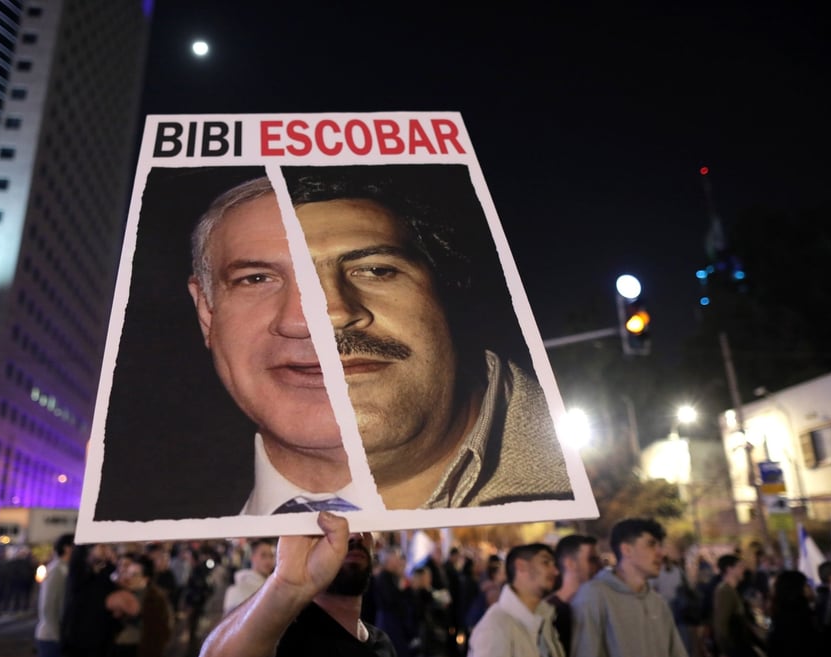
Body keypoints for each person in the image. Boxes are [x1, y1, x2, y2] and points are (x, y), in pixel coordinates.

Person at [186, 167, 572, 513]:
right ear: (207, 314)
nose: (322, 314)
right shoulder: (179, 511)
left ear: (447, 293)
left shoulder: (596, 481)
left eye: (374, 270)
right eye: (256, 279)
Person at [195, 511, 401, 657]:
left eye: (360, 522)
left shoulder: (383, 644)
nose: (354, 535)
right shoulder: (279, 636)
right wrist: (286, 584)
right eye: (335, 524)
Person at [570, 518, 704, 657]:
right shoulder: (593, 596)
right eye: (651, 544)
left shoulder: (657, 602)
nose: (660, 553)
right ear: (627, 549)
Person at [465, 543, 566, 657]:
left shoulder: (543, 620)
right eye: (546, 562)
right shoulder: (496, 626)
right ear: (521, 566)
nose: (555, 571)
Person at [711, 554, 767, 657]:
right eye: (740, 566)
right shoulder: (724, 591)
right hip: (735, 650)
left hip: (739, 648)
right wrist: (724, 652)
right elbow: (720, 624)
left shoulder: (732, 590)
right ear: (729, 569)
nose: (743, 569)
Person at [545, 534, 599, 654]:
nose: (598, 566)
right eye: (591, 560)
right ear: (569, 563)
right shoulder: (548, 612)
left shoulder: (596, 605)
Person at [35, 533, 74, 657]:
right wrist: (58, 636)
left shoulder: (64, 569)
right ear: (67, 548)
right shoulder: (57, 570)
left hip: (53, 635)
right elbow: (48, 606)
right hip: (50, 636)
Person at [222, 539, 276, 614]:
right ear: (252, 557)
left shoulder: (274, 585)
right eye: (263, 555)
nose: (268, 560)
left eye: (271, 556)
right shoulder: (236, 590)